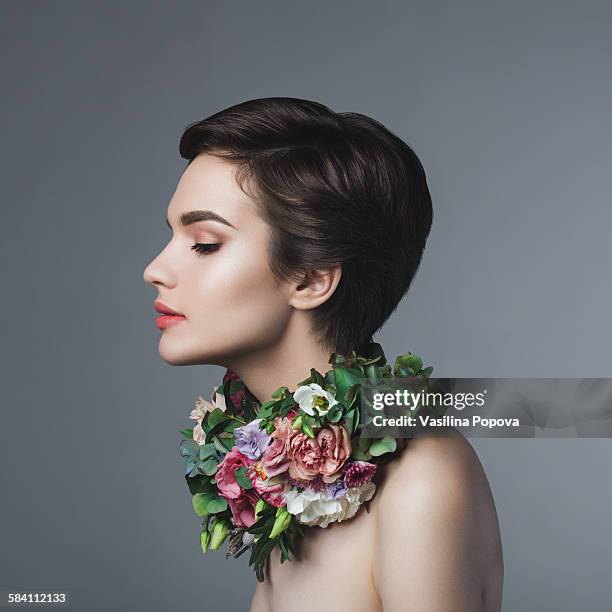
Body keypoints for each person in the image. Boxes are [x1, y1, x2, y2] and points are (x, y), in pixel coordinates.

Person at [143, 97, 503, 611]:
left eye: (204, 243)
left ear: (311, 279)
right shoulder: (278, 475)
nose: (155, 268)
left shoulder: (422, 479)